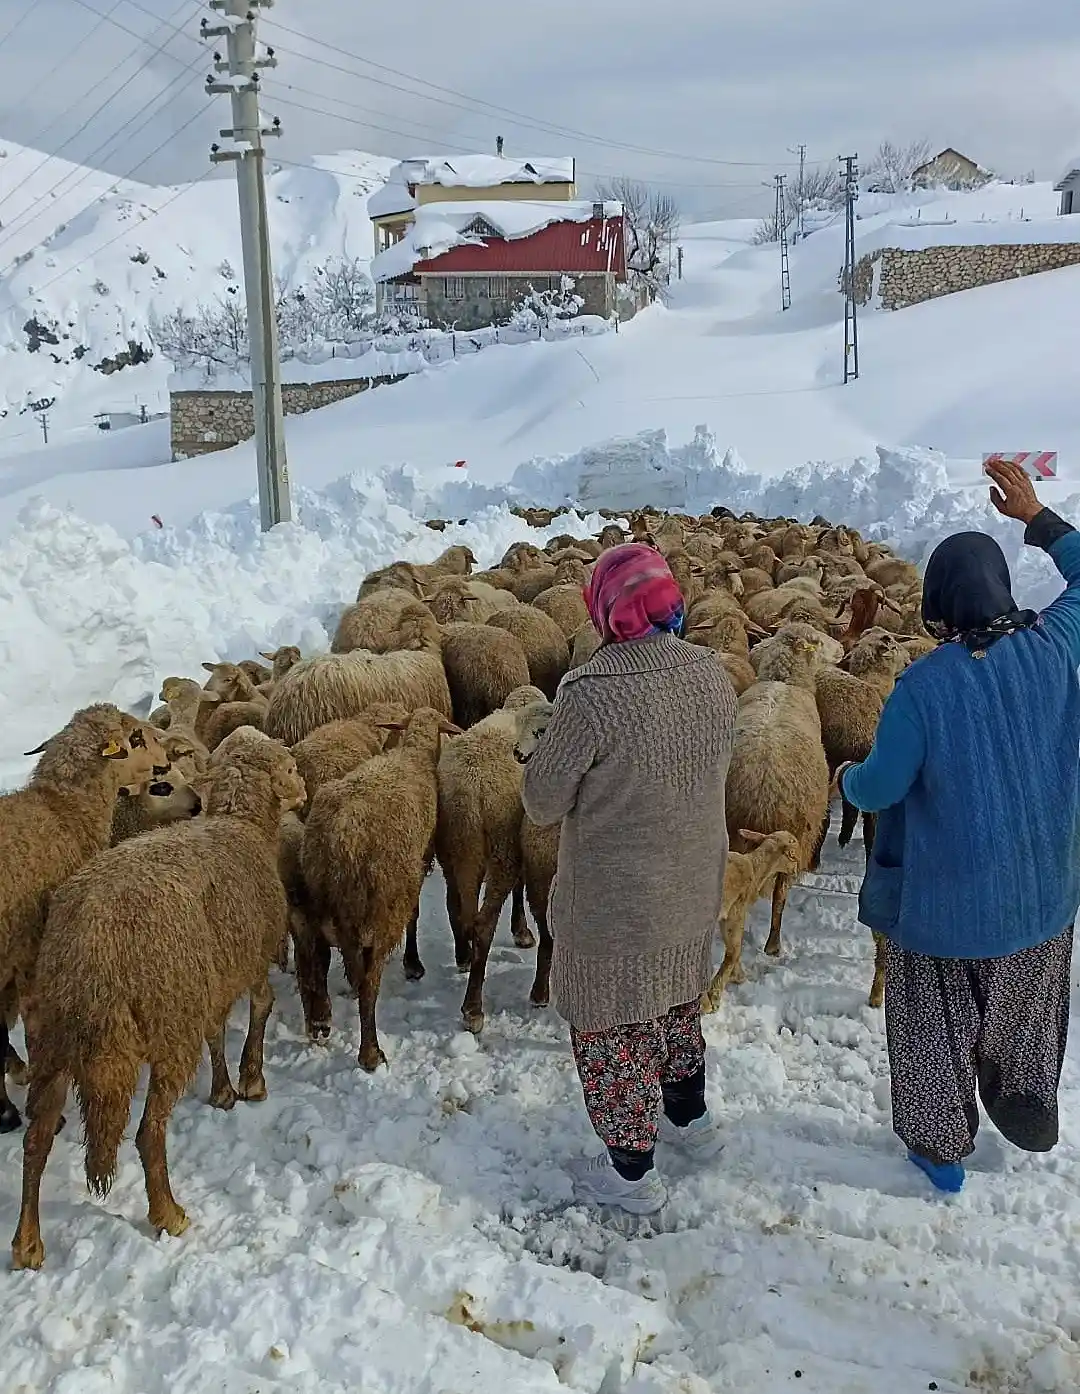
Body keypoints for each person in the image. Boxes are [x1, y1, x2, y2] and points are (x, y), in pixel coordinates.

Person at [837, 458, 1080, 1194]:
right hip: (1046, 896)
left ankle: (941, 1152)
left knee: (931, 1023)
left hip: (948, 906)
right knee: (1027, 994)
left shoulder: (923, 687)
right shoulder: (1056, 646)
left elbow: (879, 789)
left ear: (938, 605)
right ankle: (1024, 1087)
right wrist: (1037, 517)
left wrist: (846, 777)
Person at [521, 543, 738, 1214]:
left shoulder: (590, 694)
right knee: (676, 1006)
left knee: (612, 1032)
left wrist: (538, 749)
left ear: (604, 608)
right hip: (691, 882)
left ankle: (631, 1175)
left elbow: (541, 801)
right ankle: (692, 1125)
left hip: (617, 905)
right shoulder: (713, 673)